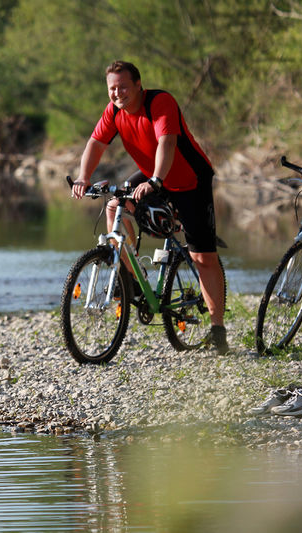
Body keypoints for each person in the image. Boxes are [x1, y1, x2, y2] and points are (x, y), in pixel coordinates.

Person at [71, 60, 228, 354]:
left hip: (188, 178)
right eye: (112, 88)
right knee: (114, 207)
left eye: (123, 87)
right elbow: (95, 143)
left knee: (203, 257)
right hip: (153, 173)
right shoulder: (114, 111)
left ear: (138, 85)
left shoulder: (160, 102)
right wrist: (83, 177)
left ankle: (218, 329)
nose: (117, 94)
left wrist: (156, 180)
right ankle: (130, 278)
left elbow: (167, 143)